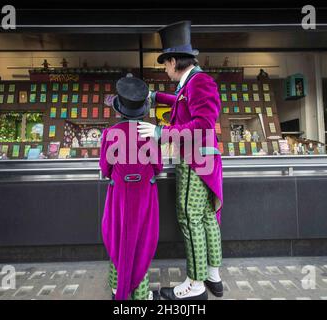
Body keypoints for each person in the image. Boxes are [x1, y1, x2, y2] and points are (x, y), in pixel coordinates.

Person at [137, 21, 224, 300]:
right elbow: (179, 102)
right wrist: (152, 96)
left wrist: (162, 132)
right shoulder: (193, 82)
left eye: (165, 64)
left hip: (197, 160)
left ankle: (195, 285)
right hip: (205, 160)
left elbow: (203, 125)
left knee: (190, 219)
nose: (164, 69)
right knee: (207, 217)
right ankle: (213, 276)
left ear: (174, 61)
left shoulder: (200, 82)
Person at [99, 76, 163, 300]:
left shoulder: (110, 134)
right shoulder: (150, 133)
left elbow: (105, 169)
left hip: (119, 197)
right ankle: (142, 292)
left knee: (119, 238)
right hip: (145, 194)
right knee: (142, 240)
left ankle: (118, 288)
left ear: (120, 110)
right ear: (142, 110)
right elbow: (158, 167)